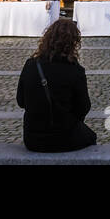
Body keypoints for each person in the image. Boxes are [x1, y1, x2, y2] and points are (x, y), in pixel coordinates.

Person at [16, 18, 97, 152]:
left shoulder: (31, 65)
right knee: (91, 137)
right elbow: (83, 107)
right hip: (65, 136)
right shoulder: (75, 70)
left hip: (33, 138)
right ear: (73, 44)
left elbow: (21, 101)